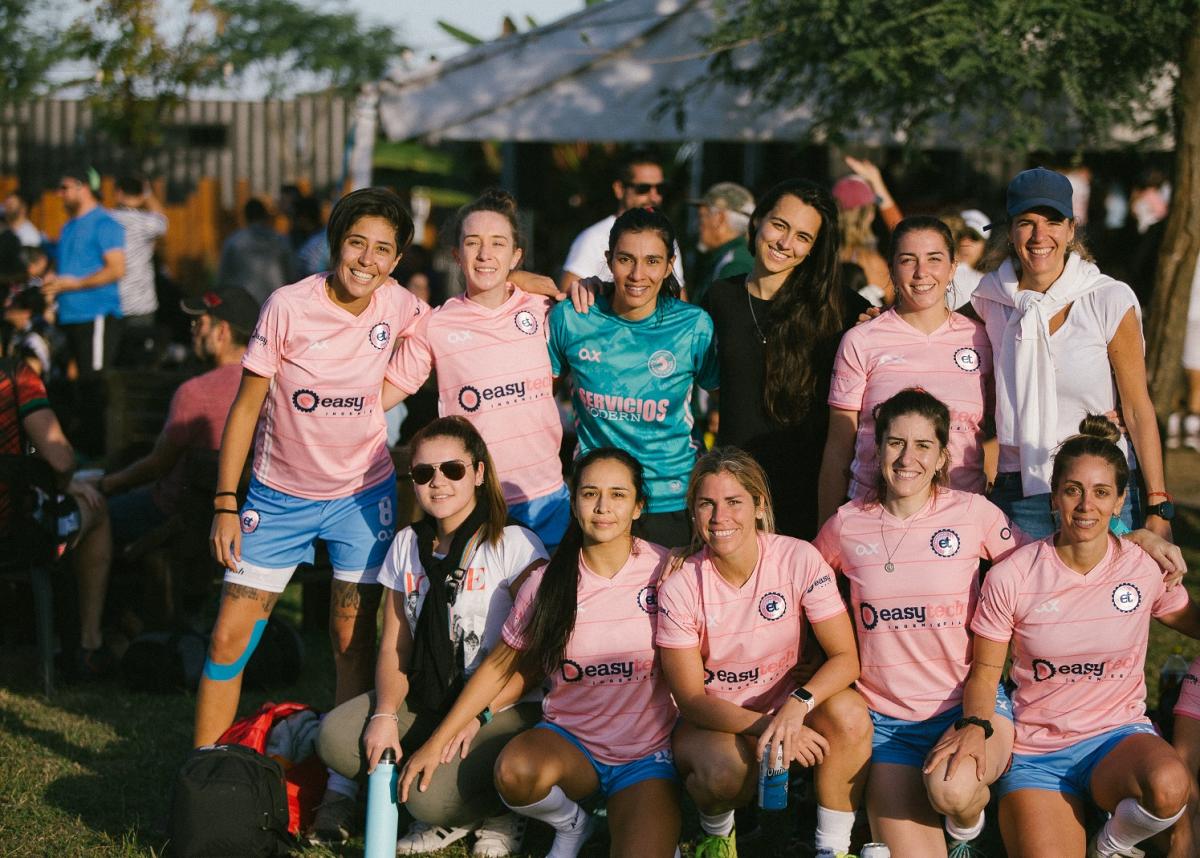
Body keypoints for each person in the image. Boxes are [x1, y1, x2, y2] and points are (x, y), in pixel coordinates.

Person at [200, 189, 430, 826]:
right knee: (226, 638)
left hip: (363, 498)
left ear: (398, 256)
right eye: (358, 242)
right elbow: (246, 408)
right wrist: (226, 501)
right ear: (335, 244)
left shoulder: (401, 305)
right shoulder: (287, 305)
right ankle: (206, 779)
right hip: (276, 498)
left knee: (352, 641)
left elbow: (436, 330)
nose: (368, 259)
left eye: (384, 248)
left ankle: (340, 792)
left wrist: (376, 398)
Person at [400, 447, 681, 858]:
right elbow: (499, 667)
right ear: (573, 500)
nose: (603, 507)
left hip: (645, 756)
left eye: (618, 495)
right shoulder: (546, 582)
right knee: (515, 772)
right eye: (590, 494)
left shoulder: (669, 570)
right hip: (572, 746)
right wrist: (440, 739)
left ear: (638, 506)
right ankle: (571, 824)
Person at [963, 416, 1200, 858]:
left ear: (1120, 501)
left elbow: (1194, 621)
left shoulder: (1144, 566)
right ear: (1054, 496)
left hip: (1116, 738)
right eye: (1073, 489)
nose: (1086, 505)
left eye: (1101, 492)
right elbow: (985, 673)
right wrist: (974, 728)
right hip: (1037, 752)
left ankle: (1110, 844)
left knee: (1170, 786)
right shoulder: (1013, 574)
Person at [313, 416, 547, 852]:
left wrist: (464, 724)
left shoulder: (514, 544)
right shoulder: (407, 544)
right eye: (424, 473)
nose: (438, 482)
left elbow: (532, 661)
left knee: (428, 799)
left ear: (478, 473)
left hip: (501, 705)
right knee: (334, 738)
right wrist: (384, 713)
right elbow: (394, 645)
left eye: (452, 469)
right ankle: (447, 786)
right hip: (429, 692)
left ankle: (498, 812)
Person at [815, 389, 1020, 857]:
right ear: (876, 448)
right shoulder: (846, 525)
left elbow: (1043, 567)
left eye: (923, 445)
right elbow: (797, 582)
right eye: (895, 442)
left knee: (954, 792)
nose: (908, 457)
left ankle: (966, 829)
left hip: (967, 708)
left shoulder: (972, 514)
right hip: (887, 724)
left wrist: (1135, 542)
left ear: (943, 455)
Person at [656, 447, 871, 857]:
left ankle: (833, 848)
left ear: (759, 506)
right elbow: (692, 701)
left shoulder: (797, 557)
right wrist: (769, 727)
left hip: (790, 708)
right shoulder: (682, 585)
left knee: (850, 715)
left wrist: (796, 707)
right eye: (707, 504)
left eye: (734, 502)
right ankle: (716, 837)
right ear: (694, 511)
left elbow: (846, 658)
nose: (720, 517)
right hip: (716, 722)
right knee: (723, 772)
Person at [973, 166, 1173, 540]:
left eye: (1052, 221)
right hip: (1020, 490)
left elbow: (1137, 407)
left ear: (1070, 229)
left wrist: (1158, 505)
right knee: (1023, 599)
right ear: (1010, 230)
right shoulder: (989, 300)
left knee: (1106, 597)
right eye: (1026, 222)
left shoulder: (1107, 298)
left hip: (1099, 486)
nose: (1039, 235)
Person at [384, 189, 569, 550]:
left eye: (498, 243)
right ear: (456, 254)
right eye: (473, 243)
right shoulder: (434, 325)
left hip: (547, 499)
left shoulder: (546, 308)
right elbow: (380, 398)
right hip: (476, 502)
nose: (485, 254)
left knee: (548, 606)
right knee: (479, 608)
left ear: (516, 255)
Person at [701, 178, 870, 539]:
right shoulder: (719, 298)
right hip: (733, 494)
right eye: (779, 225)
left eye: (802, 237)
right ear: (758, 220)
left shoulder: (841, 308)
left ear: (812, 249)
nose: (785, 243)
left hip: (810, 497)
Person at [550, 207, 719, 548]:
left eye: (653, 261)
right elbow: (535, 396)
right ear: (609, 259)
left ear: (670, 265)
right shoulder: (572, 317)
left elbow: (723, 403)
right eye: (626, 259)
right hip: (598, 503)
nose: (638, 274)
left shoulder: (694, 325)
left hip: (671, 497)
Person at [818, 216, 993, 526]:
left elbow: (993, 434)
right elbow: (838, 447)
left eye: (934, 259)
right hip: (872, 520)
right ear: (891, 267)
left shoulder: (983, 340)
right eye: (908, 260)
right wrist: (826, 535)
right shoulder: (861, 339)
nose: (921, 272)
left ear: (953, 267)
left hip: (960, 523)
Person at [89, 288, 258, 558]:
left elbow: (158, 464)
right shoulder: (274, 385)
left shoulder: (195, 391)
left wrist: (106, 485)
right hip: (246, 516)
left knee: (91, 516)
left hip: (177, 519)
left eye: (199, 323)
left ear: (221, 332)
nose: (193, 331)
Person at [0, 356, 112, 677]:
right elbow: (60, 460)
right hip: (13, 534)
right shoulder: (15, 377)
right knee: (97, 510)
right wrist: (66, 485)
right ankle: (88, 645)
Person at [41, 166, 126, 458]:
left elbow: (116, 268)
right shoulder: (69, 226)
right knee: (75, 387)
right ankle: (84, 450)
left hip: (97, 313)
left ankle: (99, 456)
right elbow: (68, 269)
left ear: (83, 187)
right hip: (70, 316)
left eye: (64, 187)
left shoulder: (104, 222)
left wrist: (74, 284)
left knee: (95, 385)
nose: (59, 194)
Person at [559, 149, 684, 292]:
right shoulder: (593, 238)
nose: (654, 197)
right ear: (619, 189)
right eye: (643, 188)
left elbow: (679, 297)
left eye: (660, 188)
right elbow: (567, 296)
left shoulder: (665, 236)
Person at [110, 175, 167, 333]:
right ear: (141, 195)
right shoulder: (147, 223)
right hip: (141, 304)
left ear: (118, 193)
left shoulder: (106, 219)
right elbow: (162, 219)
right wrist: (148, 194)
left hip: (111, 302)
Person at [216, 197, 295, 305]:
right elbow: (292, 275)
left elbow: (223, 279)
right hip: (276, 303)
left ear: (245, 217)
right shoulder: (280, 240)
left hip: (245, 304)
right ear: (265, 216)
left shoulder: (234, 241)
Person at [688, 182, 756, 307]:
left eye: (701, 216)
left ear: (718, 218)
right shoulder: (732, 257)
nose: (697, 224)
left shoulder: (734, 264)